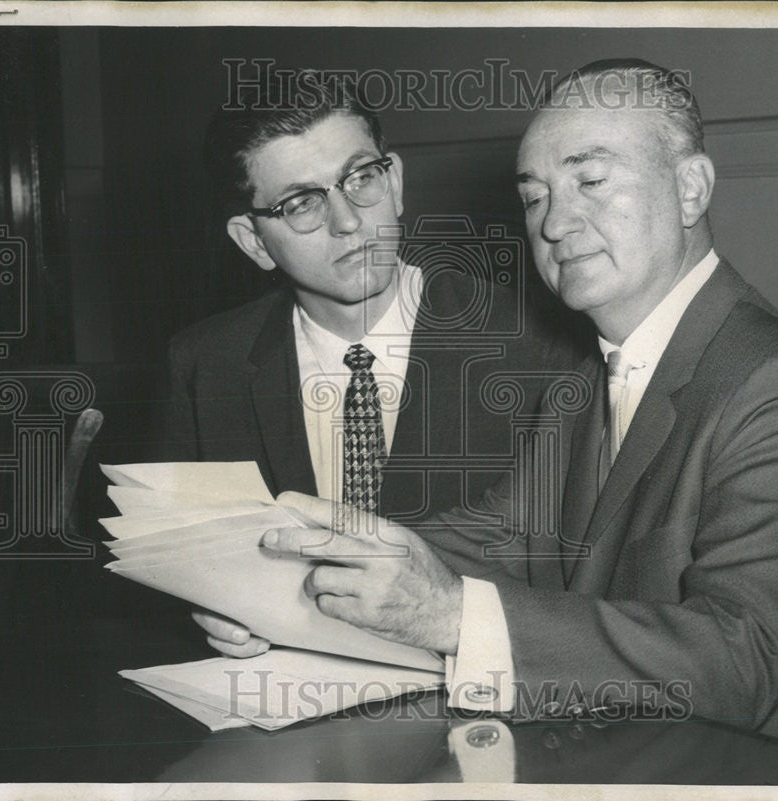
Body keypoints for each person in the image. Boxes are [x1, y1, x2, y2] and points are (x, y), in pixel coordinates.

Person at [199, 60, 778, 771]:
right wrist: (286, 587)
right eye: (536, 195)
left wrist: (452, 615)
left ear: (691, 187)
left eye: (591, 181)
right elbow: (497, 535)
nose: (556, 221)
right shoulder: (583, 382)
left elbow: (739, 662)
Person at [173, 70, 583, 655]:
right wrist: (207, 607)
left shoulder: (534, 345)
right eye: (300, 204)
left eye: (360, 178)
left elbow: (576, 578)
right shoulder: (205, 365)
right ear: (254, 241)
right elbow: (174, 565)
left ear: (395, 183)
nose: (347, 222)